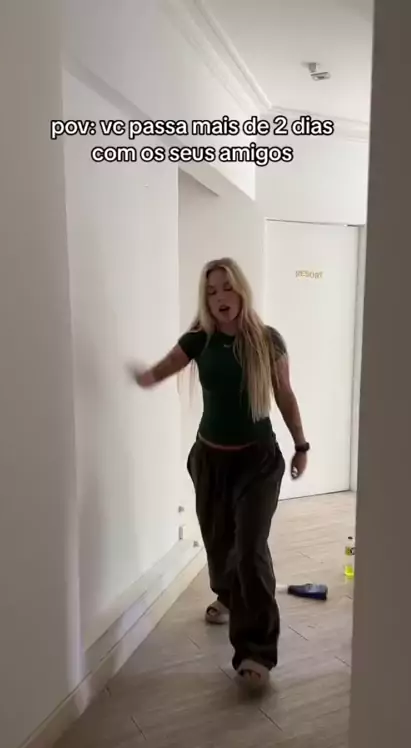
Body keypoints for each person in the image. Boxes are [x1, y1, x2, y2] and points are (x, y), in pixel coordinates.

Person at [131, 258, 309, 688]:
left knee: (249, 549)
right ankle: (228, 596)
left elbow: (284, 394)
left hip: (258, 461)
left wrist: (301, 445)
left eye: (226, 287)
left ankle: (256, 653)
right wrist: (143, 376)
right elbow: (163, 368)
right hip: (210, 460)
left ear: (240, 289)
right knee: (218, 544)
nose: (220, 297)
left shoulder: (268, 340)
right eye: (211, 292)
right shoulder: (199, 339)